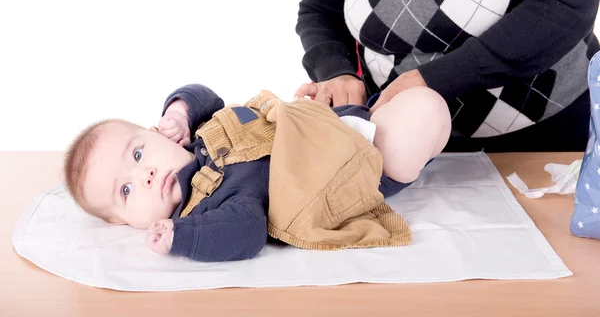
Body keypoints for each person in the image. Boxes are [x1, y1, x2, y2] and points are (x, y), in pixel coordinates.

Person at [294, 0, 600, 152]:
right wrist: (336, 71)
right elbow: (320, 10)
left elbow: (566, 3)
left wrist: (431, 80)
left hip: (543, 138)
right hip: (402, 146)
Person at [63, 83, 451, 262]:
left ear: (156, 133)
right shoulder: (207, 209)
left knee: (405, 107)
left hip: (332, 122)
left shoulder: (197, 135)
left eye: (137, 153)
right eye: (126, 191)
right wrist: (181, 237)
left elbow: (206, 96)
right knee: (423, 112)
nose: (145, 174)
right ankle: (419, 135)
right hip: (357, 166)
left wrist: (179, 111)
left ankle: (398, 116)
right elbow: (246, 232)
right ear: (122, 222)